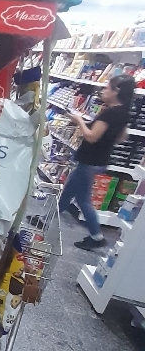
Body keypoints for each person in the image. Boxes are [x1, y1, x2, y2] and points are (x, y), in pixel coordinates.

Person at [58, 74, 136, 250]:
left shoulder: (110, 113)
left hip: (89, 161)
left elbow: (91, 137)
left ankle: (97, 236)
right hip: (100, 159)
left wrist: (79, 121)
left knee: (82, 200)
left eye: (107, 87)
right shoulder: (123, 112)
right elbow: (122, 137)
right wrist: (105, 138)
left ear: (117, 91)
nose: (103, 90)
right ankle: (47, 218)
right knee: (68, 193)